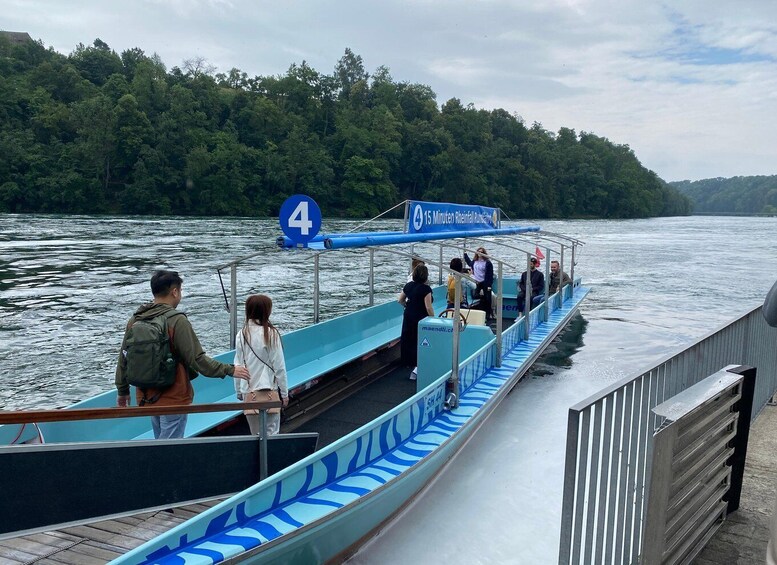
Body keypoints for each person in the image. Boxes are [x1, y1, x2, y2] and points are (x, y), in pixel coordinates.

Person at [115, 270, 249, 439]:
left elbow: (124, 358)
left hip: (146, 396)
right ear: (175, 291)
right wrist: (229, 369)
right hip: (173, 397)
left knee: (160, 440)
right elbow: (197, 359)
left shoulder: (135, 320)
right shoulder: (177, 320)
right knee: (170, 449)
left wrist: (122, 390)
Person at [234, 294, 288, 436]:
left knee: (255, 434)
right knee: (271, 433)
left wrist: (239, 391)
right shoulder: (271, 334)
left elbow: (238, 365)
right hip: (269, 390)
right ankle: (270, 458)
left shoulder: (241, 334)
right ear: (266, 311)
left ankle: (258, 458)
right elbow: (279, 367)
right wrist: (284, 394)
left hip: (249, 391)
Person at [399, 264, 435, 380]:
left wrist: (407, 306)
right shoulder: (426, 289)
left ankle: (411, 364)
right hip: (420, 317)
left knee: (409, 339)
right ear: (426, 276)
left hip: (408, 315)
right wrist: (434, 319)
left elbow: (400, 300)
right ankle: (418, 368)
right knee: (422, 342)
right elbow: (428, 307)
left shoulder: (408, 286)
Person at [464, 247, 494, 320]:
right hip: (477, 281)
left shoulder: (487, 263)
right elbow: (469, 263)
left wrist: (489, 285)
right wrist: (465, 255)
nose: (479, 253)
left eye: (481, 252)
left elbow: (490, 275)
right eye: (478, 252)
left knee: (488, 298)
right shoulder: (475, 261)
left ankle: (488, 314)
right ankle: (482, 301)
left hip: (485, 282)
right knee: (475, 295)